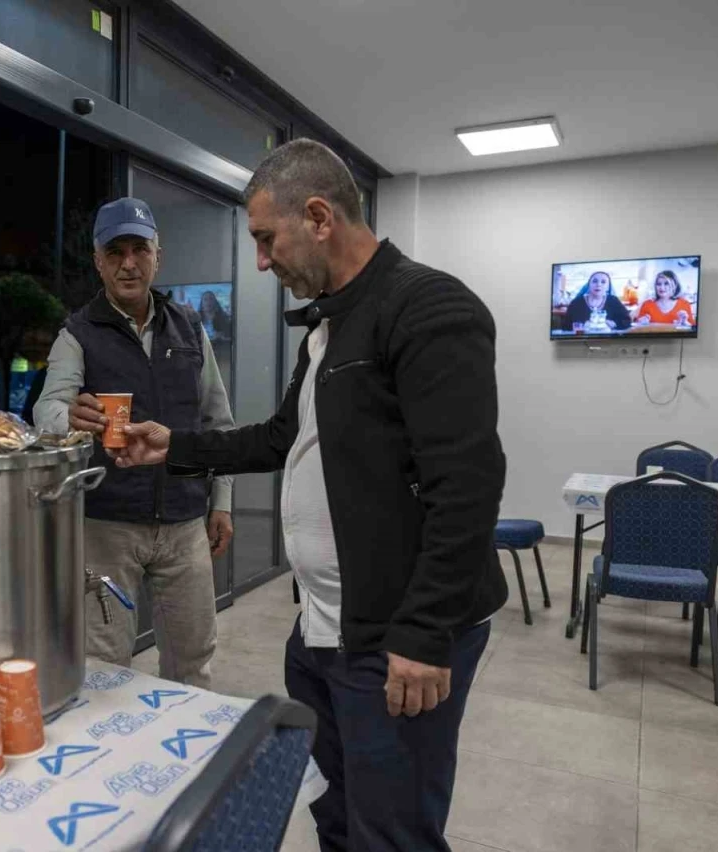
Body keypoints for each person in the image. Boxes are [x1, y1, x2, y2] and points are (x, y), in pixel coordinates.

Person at [109, 139, 507, 852]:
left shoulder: (428, 307)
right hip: (325, 629)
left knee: (392, 833)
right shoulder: (328, 326)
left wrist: (423, 635)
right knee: (336, 813)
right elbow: (280, 439)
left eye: (267, 238)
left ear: (319, 217)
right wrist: (175, 445)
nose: (262, 261)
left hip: (393, 636)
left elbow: (468, 488)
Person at [33, 197, 235, 688]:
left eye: (139, 249)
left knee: (193, 659)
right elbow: (46, 410)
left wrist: (223, 502)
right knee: (102, 665)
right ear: (98, 262)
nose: (129, 263)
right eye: (116, 251)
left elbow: (219, 422)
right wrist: (69, 417)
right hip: (107, 527)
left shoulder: (190, 329)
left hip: (185, 523)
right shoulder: (77, 334)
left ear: (157, 257)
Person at [564, 271, 631, 330]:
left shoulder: (613, 301)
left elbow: (627, 320)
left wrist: (614, 323)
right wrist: (582, 326)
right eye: (594, 281)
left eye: (603, 282)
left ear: (608, 287)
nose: (598, 284)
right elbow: (566, 326)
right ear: (589, 285)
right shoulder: (576, 302)